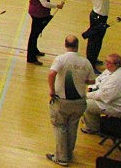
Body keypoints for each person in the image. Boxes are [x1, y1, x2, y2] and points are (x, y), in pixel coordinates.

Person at [46, 35, 95, 166]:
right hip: (79, 102)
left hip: (62, 101)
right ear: (78, 45)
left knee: (60, 127)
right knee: (72, 127)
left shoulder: (61, 59)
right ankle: (69, 152)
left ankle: (61, 157)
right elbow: (91, 81)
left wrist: (51, 90)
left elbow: (51, 74)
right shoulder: (85, 62)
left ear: (65, 44)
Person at [82, 54, 121, 135]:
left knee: (85, 104)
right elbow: (99, 80)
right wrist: (91, 88)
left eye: (109, 63)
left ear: (117, 64)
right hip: (113, 100)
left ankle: (92, 128)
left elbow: (104, 96)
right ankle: (90, 118)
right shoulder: (113, 70)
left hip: (117, 107)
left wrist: (88, 95)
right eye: (106, 62)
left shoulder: (118, 79)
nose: (107, 65)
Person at [27, 0, 65, 65]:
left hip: (34, 10)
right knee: (34, 35)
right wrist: (57, 5)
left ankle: (34, 50)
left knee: (35, 33)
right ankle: (31, 57)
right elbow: (44, 3)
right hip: (38, 13)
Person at [84, 0, 116, 71]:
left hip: (101, 17)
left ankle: (93, 59)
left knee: (98, 41)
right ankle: (90, 64)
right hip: (97, 18)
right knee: (94, 41)